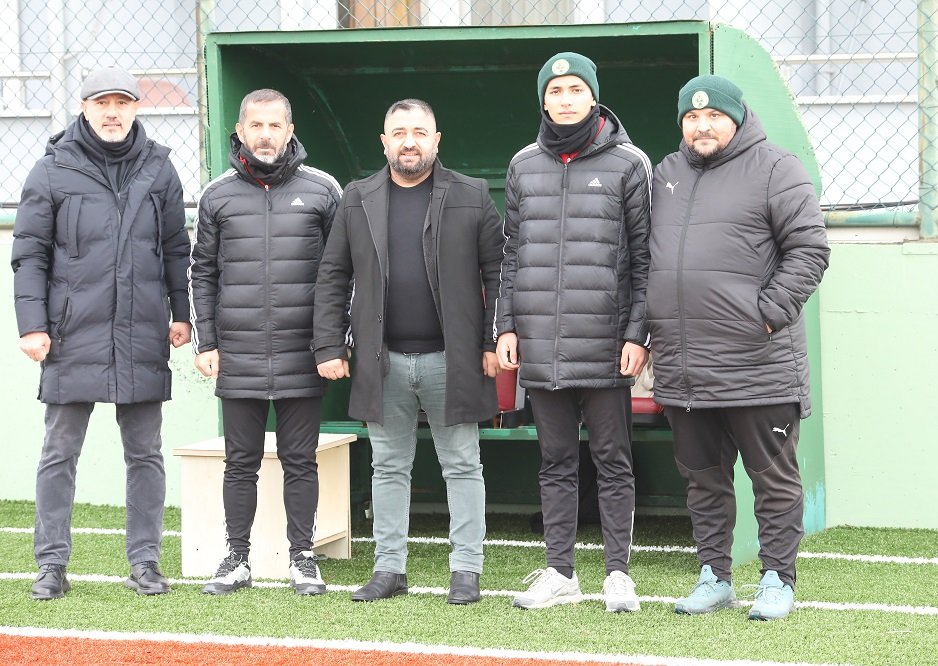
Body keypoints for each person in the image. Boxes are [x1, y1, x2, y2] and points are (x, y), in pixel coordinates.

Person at [647, 75, 830, 621]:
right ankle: (715, 577)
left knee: (772, 479)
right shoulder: (666, 173)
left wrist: (766, 315)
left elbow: (810, 249)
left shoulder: (777, 167)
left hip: (758, 363)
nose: (702, 126)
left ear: (738, 117)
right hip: (685, 367)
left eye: (714, 116)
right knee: (703, 481)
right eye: (691, 117)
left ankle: (777, 578)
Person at [313, 98, 503, 605]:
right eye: (399, 133)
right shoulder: (357, 198)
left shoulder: (472, 195)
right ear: (384, 142)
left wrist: (491, 341)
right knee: (388, 467)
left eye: (419, 132)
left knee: (462, 465)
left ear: (436, 139)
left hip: (453, 359)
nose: (409, 142)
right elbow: (333, 276)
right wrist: (329, 344)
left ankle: (466, 570)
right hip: (383, 361)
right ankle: (389, 569)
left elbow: (498, 273)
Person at [12, 66, 191, 600]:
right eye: (101, 103)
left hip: (142, 332)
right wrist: (33, 326)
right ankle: (51, 565)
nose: (112, 113)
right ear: (84, 107)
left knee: (145, 454)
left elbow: (176, 248)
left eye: (122, 102)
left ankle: (145, 563)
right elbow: (29, 254)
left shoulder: (160, 168)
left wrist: (181, 314)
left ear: (136, 107)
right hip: (71, 334)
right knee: (59, 452)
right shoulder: (51, 170)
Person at [495, 53, 652, 612]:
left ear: (593, 96)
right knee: (555, 462)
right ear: (543, 100)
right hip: (542, 346)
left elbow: (645, 258)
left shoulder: (630, 163)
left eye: (575, 89)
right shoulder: (522, 165)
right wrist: (506, 325)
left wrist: (637, 334)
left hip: (607, 345)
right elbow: (512, 255)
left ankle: (618, 575)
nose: (565, 100)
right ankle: (560, 573)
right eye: (555, 91)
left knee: (613, 461)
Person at [189, 88, 342, 597]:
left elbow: (343, 272)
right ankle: (236, 559)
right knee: (240, 463)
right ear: (240, 130)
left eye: (275, 125)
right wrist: (206, 343)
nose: (265, 135)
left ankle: (303, 559)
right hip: (238, 353)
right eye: (256, 125)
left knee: (301, 461)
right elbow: (202, 273)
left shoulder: (323, 189)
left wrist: (333, 342)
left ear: (290, 130)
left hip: (305, 353)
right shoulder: (217, 195)